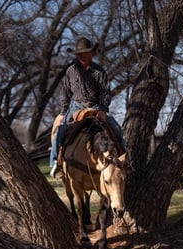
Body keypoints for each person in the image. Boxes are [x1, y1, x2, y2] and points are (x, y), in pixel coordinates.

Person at [49, 37, 126, 178]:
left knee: (116, 128)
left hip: (96, 106)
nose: (82, 56)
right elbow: (65, 92)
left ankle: (124, 161)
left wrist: (102, 109)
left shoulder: (99, 72)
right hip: (76, 106)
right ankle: (56, 163)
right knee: (60, 130)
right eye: (79, 54)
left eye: (85, 53)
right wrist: (63, 113)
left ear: (91, 53)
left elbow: (105, 93)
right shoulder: (71, 71)